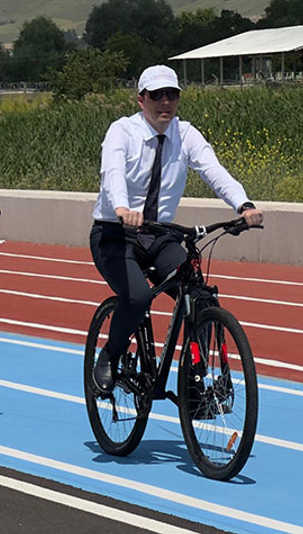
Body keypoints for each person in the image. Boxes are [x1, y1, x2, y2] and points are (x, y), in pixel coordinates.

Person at [89, 65, 264, 393]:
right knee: (138, 296)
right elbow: (112, 172)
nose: (165, 102)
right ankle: (111, 355)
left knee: (200, 298)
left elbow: (214, 170)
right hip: (115, 233)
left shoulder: (186, 134)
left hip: (157, 236)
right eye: (157, 95)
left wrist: (243, 205)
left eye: (172, 94)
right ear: (141, 99)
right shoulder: (122, 131)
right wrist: (122, 208)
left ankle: (194, 386)